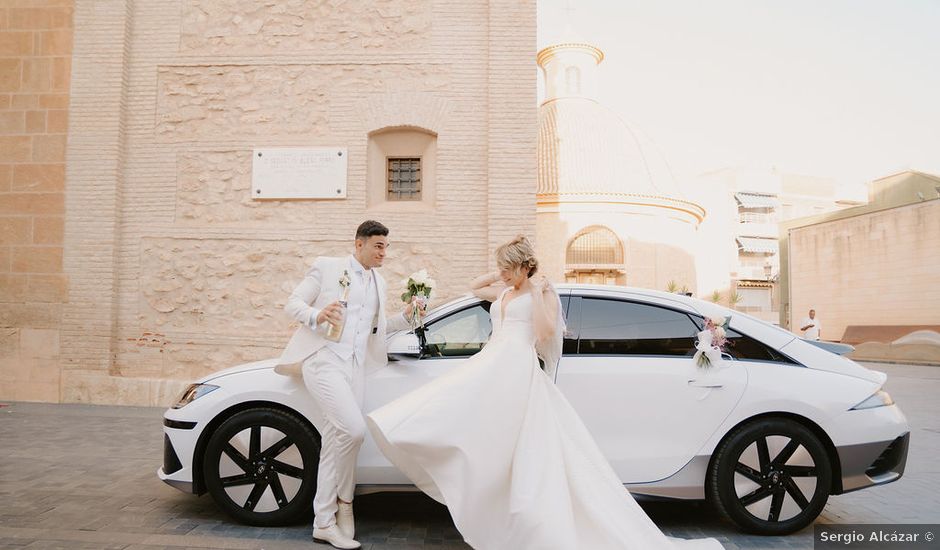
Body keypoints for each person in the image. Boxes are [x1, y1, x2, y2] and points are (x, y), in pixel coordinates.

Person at [365, 236, 724, 550]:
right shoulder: (505, 290)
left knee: (522, 446)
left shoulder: (543, 294)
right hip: (492, 364)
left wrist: (536, 289)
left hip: (515, 369)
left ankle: (525, 521)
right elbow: (475, 286)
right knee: (465, 421)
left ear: (524, 266)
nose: (501, 274)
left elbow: (544, 331)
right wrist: (506, 272)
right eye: (501, 269)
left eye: (507, 268)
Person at [277, 220, 420, 550]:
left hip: (355, 368)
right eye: (378, 246)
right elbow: (292, 304)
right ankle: (337, 508)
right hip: (323, 359)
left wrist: (410, 316)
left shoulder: (379, 283)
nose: (384, 252)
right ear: (359, 244)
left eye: (386, 246)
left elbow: (378, 329)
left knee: (338, 442)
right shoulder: (327, 267)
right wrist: (317, 315)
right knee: (353, 430)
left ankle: (329, 517)